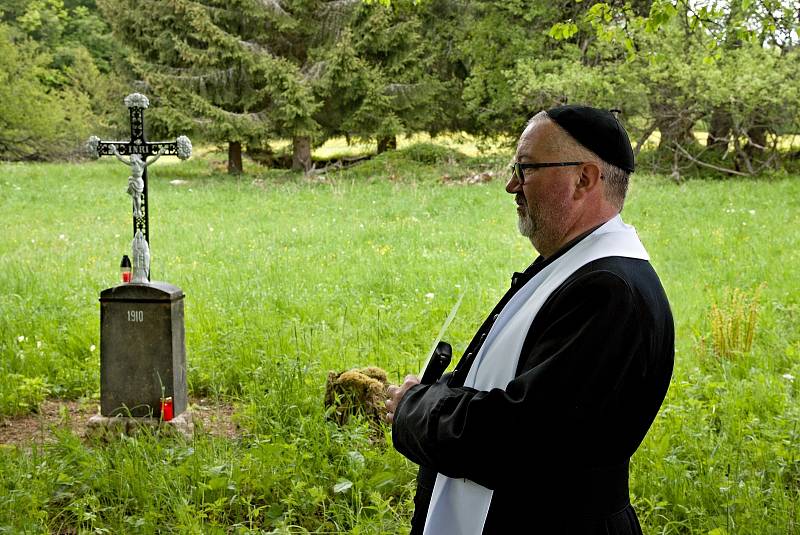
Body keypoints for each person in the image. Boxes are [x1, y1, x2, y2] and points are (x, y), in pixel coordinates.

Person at [385, 105, 674, 535]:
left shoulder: (611, 293)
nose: (511, 185)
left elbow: (519, 437)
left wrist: (415, 408)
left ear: (584, 179)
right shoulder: (570, 267)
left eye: (526, 168)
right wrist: (431, 393)